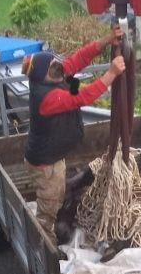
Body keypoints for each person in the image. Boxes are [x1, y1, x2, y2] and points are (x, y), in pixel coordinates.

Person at [21, 26, 126, 246]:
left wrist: (107, 39)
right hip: (45, 166)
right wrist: (112, 74)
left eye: (55, 62)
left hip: (53, 157)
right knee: (49, 208)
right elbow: (84, 96)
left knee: (57, 197)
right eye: (53, 67)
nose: (59, 66)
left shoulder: (54, 75)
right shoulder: (47, 98)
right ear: (43, 76)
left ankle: (53, 219)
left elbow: (80, 58)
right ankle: (45, 249)